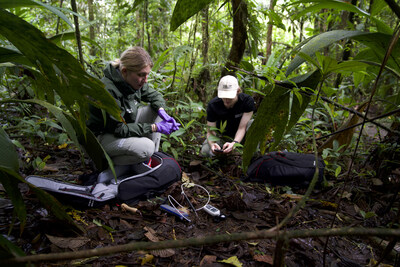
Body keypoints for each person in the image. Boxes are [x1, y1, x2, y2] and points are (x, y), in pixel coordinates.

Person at [87, 46, 179, 181]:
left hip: (122, 126)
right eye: (142, 75)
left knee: (154, 110)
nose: (145, 80)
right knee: (146, 148)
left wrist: (162, 111)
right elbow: (119, 129)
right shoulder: (107, 90)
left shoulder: (133, 81)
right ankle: (109, 165)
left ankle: (144, 160)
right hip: (101, 138)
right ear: (124, 71)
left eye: (147, 74)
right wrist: (154, 127)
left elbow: (154, 95)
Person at [201, 75, 255, 157]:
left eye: (229, 96)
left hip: (241, 137)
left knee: (253, 123)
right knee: (205, 151)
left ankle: (250, 155)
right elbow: (210, 131)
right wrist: (213, 145)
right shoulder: (213, 105)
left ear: (238, 91)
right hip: (221, 137)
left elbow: (242, 128)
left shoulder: (247, 101)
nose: (226, 99)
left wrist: (234, 143)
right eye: (223, 95)